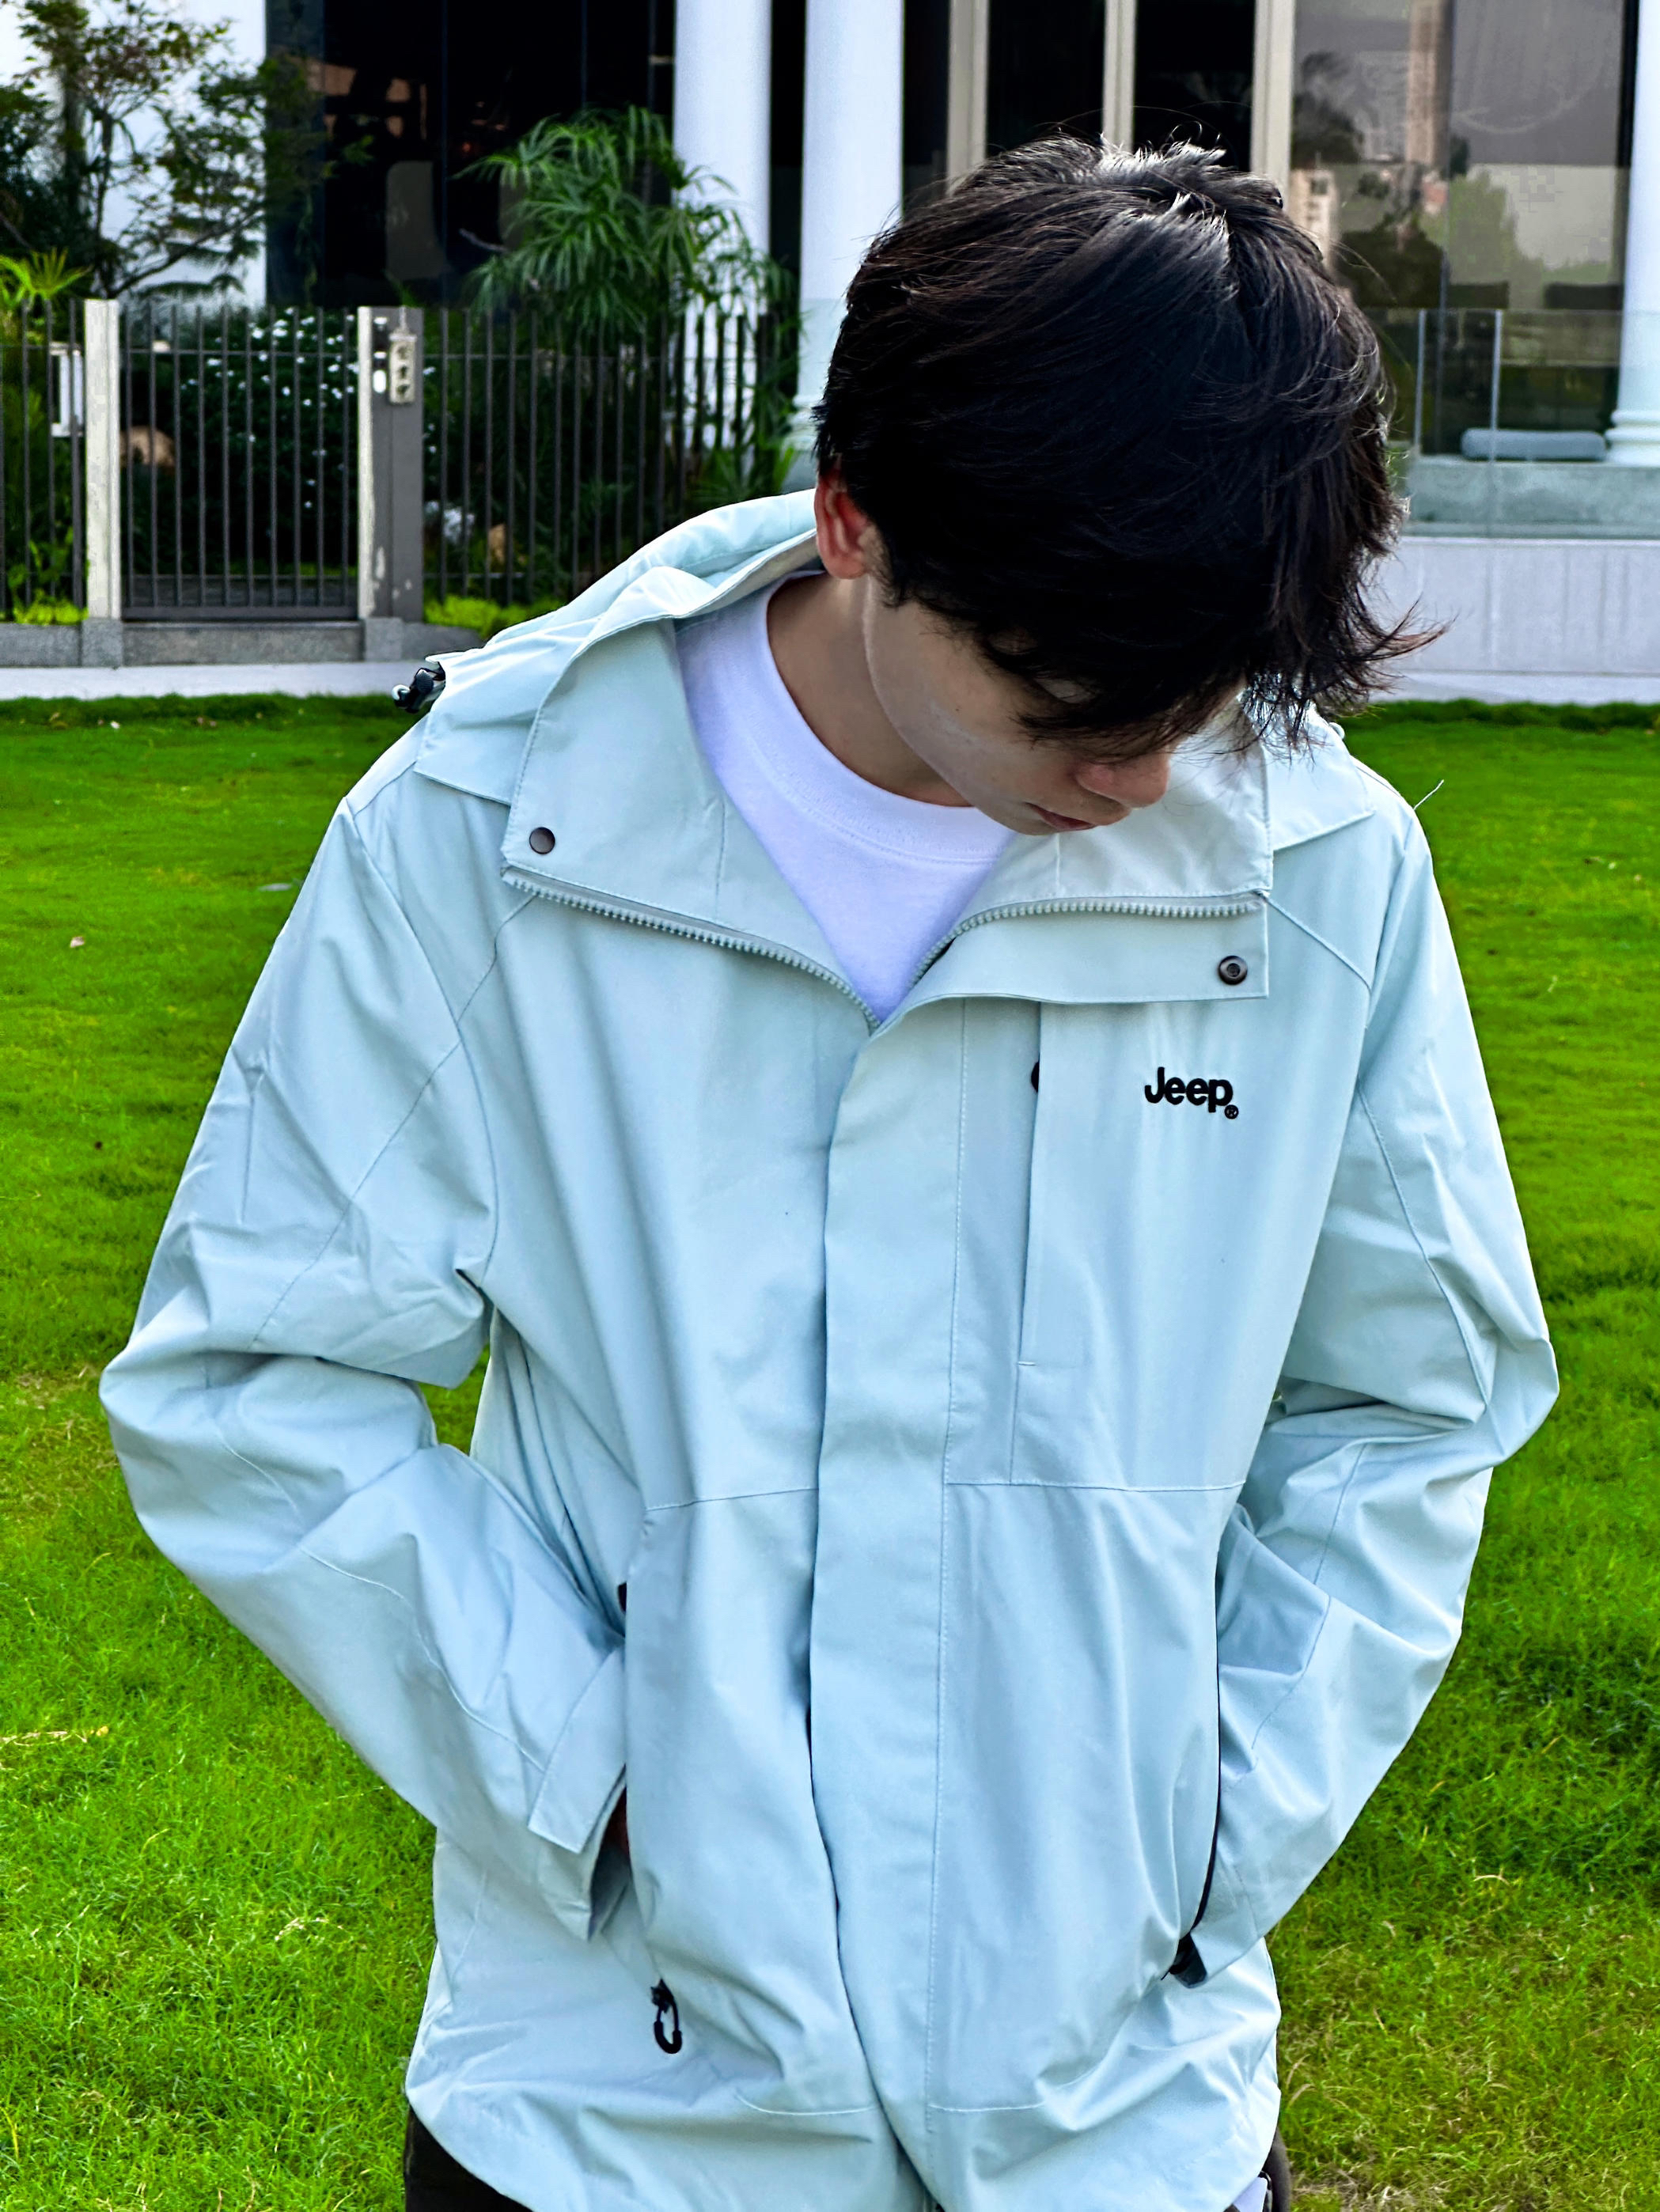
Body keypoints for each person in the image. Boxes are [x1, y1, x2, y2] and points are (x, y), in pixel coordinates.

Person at [101, 140, 1556, 2212]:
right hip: (615, 2125)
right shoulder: (487, 827)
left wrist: (1208, 1819)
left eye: (1202, 698)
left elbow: (1405, 1402)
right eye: (1071, 700)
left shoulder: (1319, 870)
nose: (1145, 776)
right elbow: (250, 1379)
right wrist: (598, 1777)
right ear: (853, 519)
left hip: (1117, 2124)